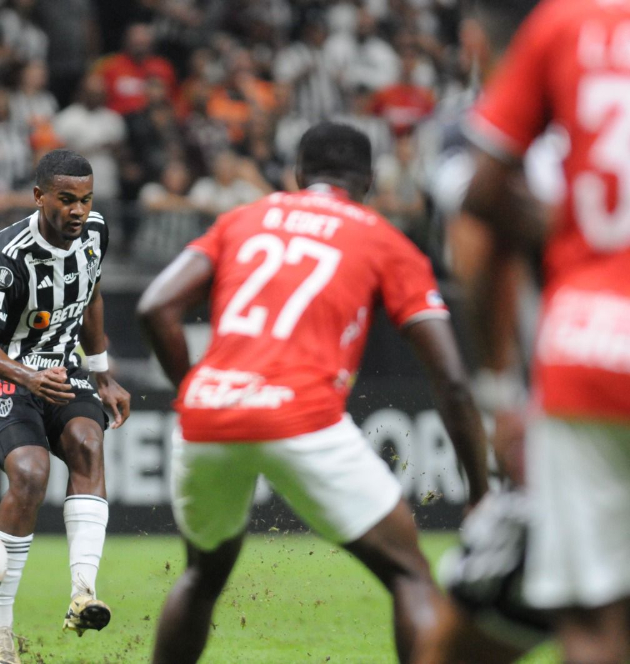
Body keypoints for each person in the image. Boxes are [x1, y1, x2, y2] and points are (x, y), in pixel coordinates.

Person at [138, 123, 488, 664]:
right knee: (409, 574)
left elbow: (155, 306)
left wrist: (193, 387)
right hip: (300, 414)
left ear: (298, 174)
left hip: (207, 414)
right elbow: (454, 382)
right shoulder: (382, 238)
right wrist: (482, 492)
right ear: (368, 180)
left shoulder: (243, 218)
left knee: (202, 576)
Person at [461, 0, 630, 662]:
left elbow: (480, 193)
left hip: (591, 340)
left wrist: (571, 234)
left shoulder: (565, 24)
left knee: (593, 617)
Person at [0, 149, 130, 664]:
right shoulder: (7, 256)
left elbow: (92, 293)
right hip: (9, 374)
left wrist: (101, 370)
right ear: (39, 197)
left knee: (87, 442)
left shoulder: (95, 232)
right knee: (31, 474)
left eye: (85, 199)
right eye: (66, 200)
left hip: (64, 368)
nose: (78, 210)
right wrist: (29, 375)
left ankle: (83, 594)